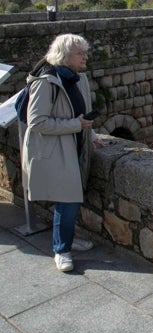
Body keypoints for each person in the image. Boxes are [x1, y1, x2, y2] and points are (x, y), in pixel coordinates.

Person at [21, 34, 103, 272]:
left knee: (68, 198)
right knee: (67, 199)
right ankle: (61, 250)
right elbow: (36, 122)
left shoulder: (77, 79)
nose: (85, 57)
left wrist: (92, 134)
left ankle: (67, 238)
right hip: (55, 150)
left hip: (74, 145)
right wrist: (75, 126)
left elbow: (81, 113)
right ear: (65, 56)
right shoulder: (46, 82)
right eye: (81, 53)